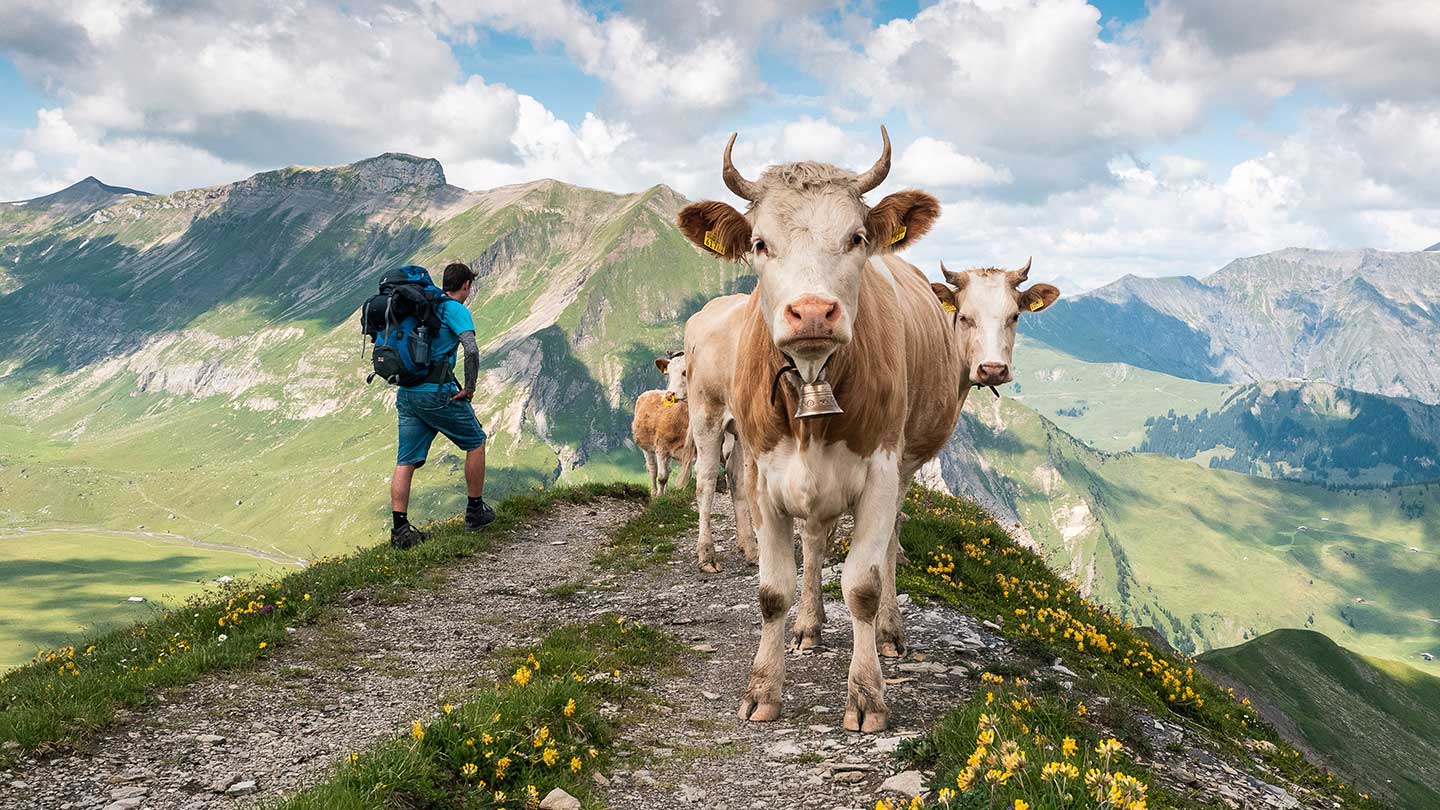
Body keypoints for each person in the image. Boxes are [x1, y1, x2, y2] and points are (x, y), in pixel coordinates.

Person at [389, 261, 494, 548]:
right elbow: (470, 349)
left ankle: (400, 530)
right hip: (436, 393)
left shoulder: (421, 306)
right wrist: (470, 388)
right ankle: (475, 511)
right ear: (467, 286)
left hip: (407, 393)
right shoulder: (454, 309)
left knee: (406, 459)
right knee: (476, 441)